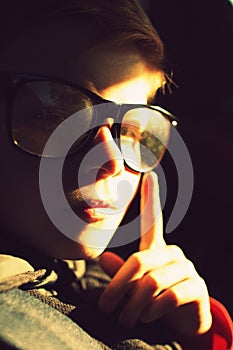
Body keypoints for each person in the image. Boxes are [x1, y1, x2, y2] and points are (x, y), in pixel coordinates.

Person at [0, 1, 232, 349]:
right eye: (55, 117)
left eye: (135, 132)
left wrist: (195, 336)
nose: (112, 159)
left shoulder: (115, 289)